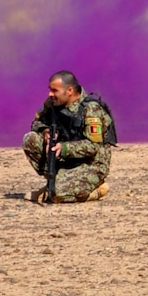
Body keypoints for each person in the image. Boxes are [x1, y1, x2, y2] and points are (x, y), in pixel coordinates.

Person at [23, 70, 117, 204]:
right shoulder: (52, 104)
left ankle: (97, 190)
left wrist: (65, 147)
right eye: (50, 90)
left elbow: (93, 146)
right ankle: (55, 182)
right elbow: (37, 122)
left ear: (70, 91)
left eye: (54, 90)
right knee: (30, 139)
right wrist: (45, 132)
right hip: (65, 159)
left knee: (56, 196)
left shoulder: (91, 110)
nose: (50, 94)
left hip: (91, 164)